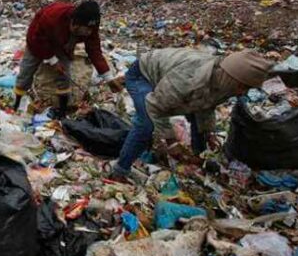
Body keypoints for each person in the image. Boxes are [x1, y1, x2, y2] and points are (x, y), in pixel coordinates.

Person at [111, 48, 273, 180]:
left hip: (167, 82)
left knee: (200, 126)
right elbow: (155, 106)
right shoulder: (191, 77)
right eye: (242, 86)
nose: (241, 93)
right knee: (146, 124)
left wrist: (208, 132)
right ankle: (119, 171)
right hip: (143, 75)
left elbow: (206, 107)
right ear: (232, 78)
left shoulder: (226, 82)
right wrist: (171, 142)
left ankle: (197, 159)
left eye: (246, 88)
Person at [13, 0, 121, 118]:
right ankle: (16, 104)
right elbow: (36, 39)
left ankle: (62, 113)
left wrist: (109, 78)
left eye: (91, 30)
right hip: (38, 40)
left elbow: (94, 50)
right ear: (75, 24)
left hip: (63, 42)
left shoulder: (90, 27)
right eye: (86, 30)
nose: (89, 33)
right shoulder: (52, 17)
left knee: (64, 74)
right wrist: (53, 61)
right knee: (26, 71)